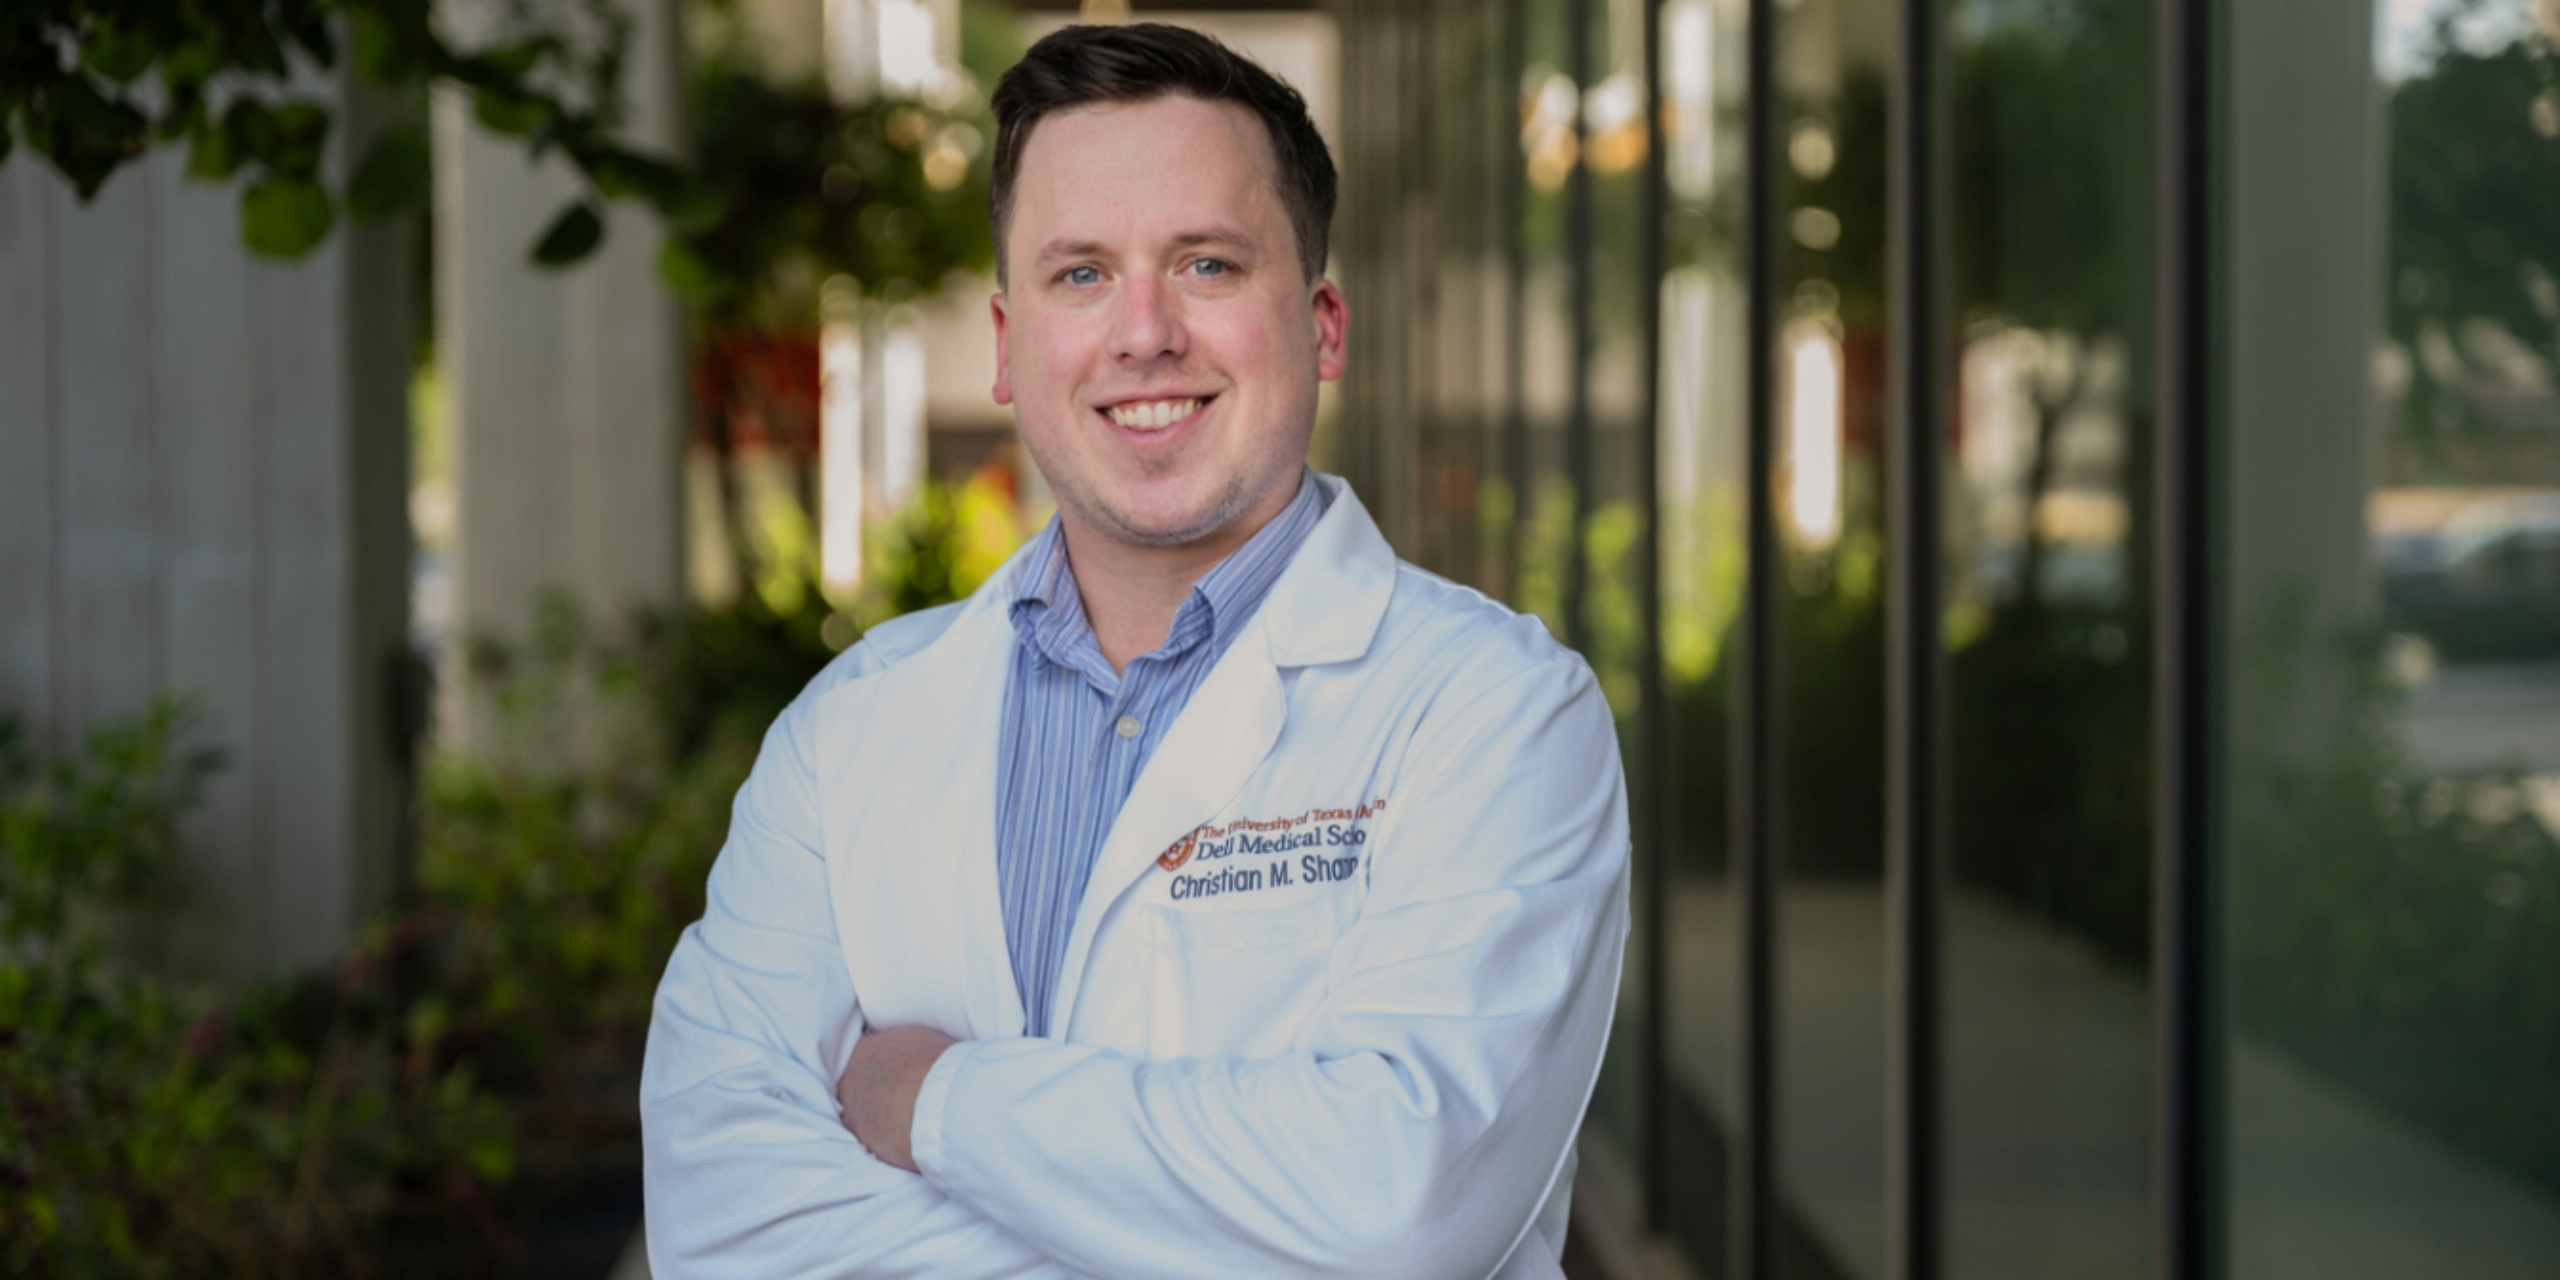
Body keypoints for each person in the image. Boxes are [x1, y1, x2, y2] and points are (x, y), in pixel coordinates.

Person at [640, 22, 1629, 1279]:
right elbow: (722, 1219)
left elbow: (1404, 1206)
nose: (1144, 331)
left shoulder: (1499, 713)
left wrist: (936, 1102)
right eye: (1080, 274)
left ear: (1323, 324)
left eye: (1207, 264)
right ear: (1007, 344)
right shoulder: (849, 732)